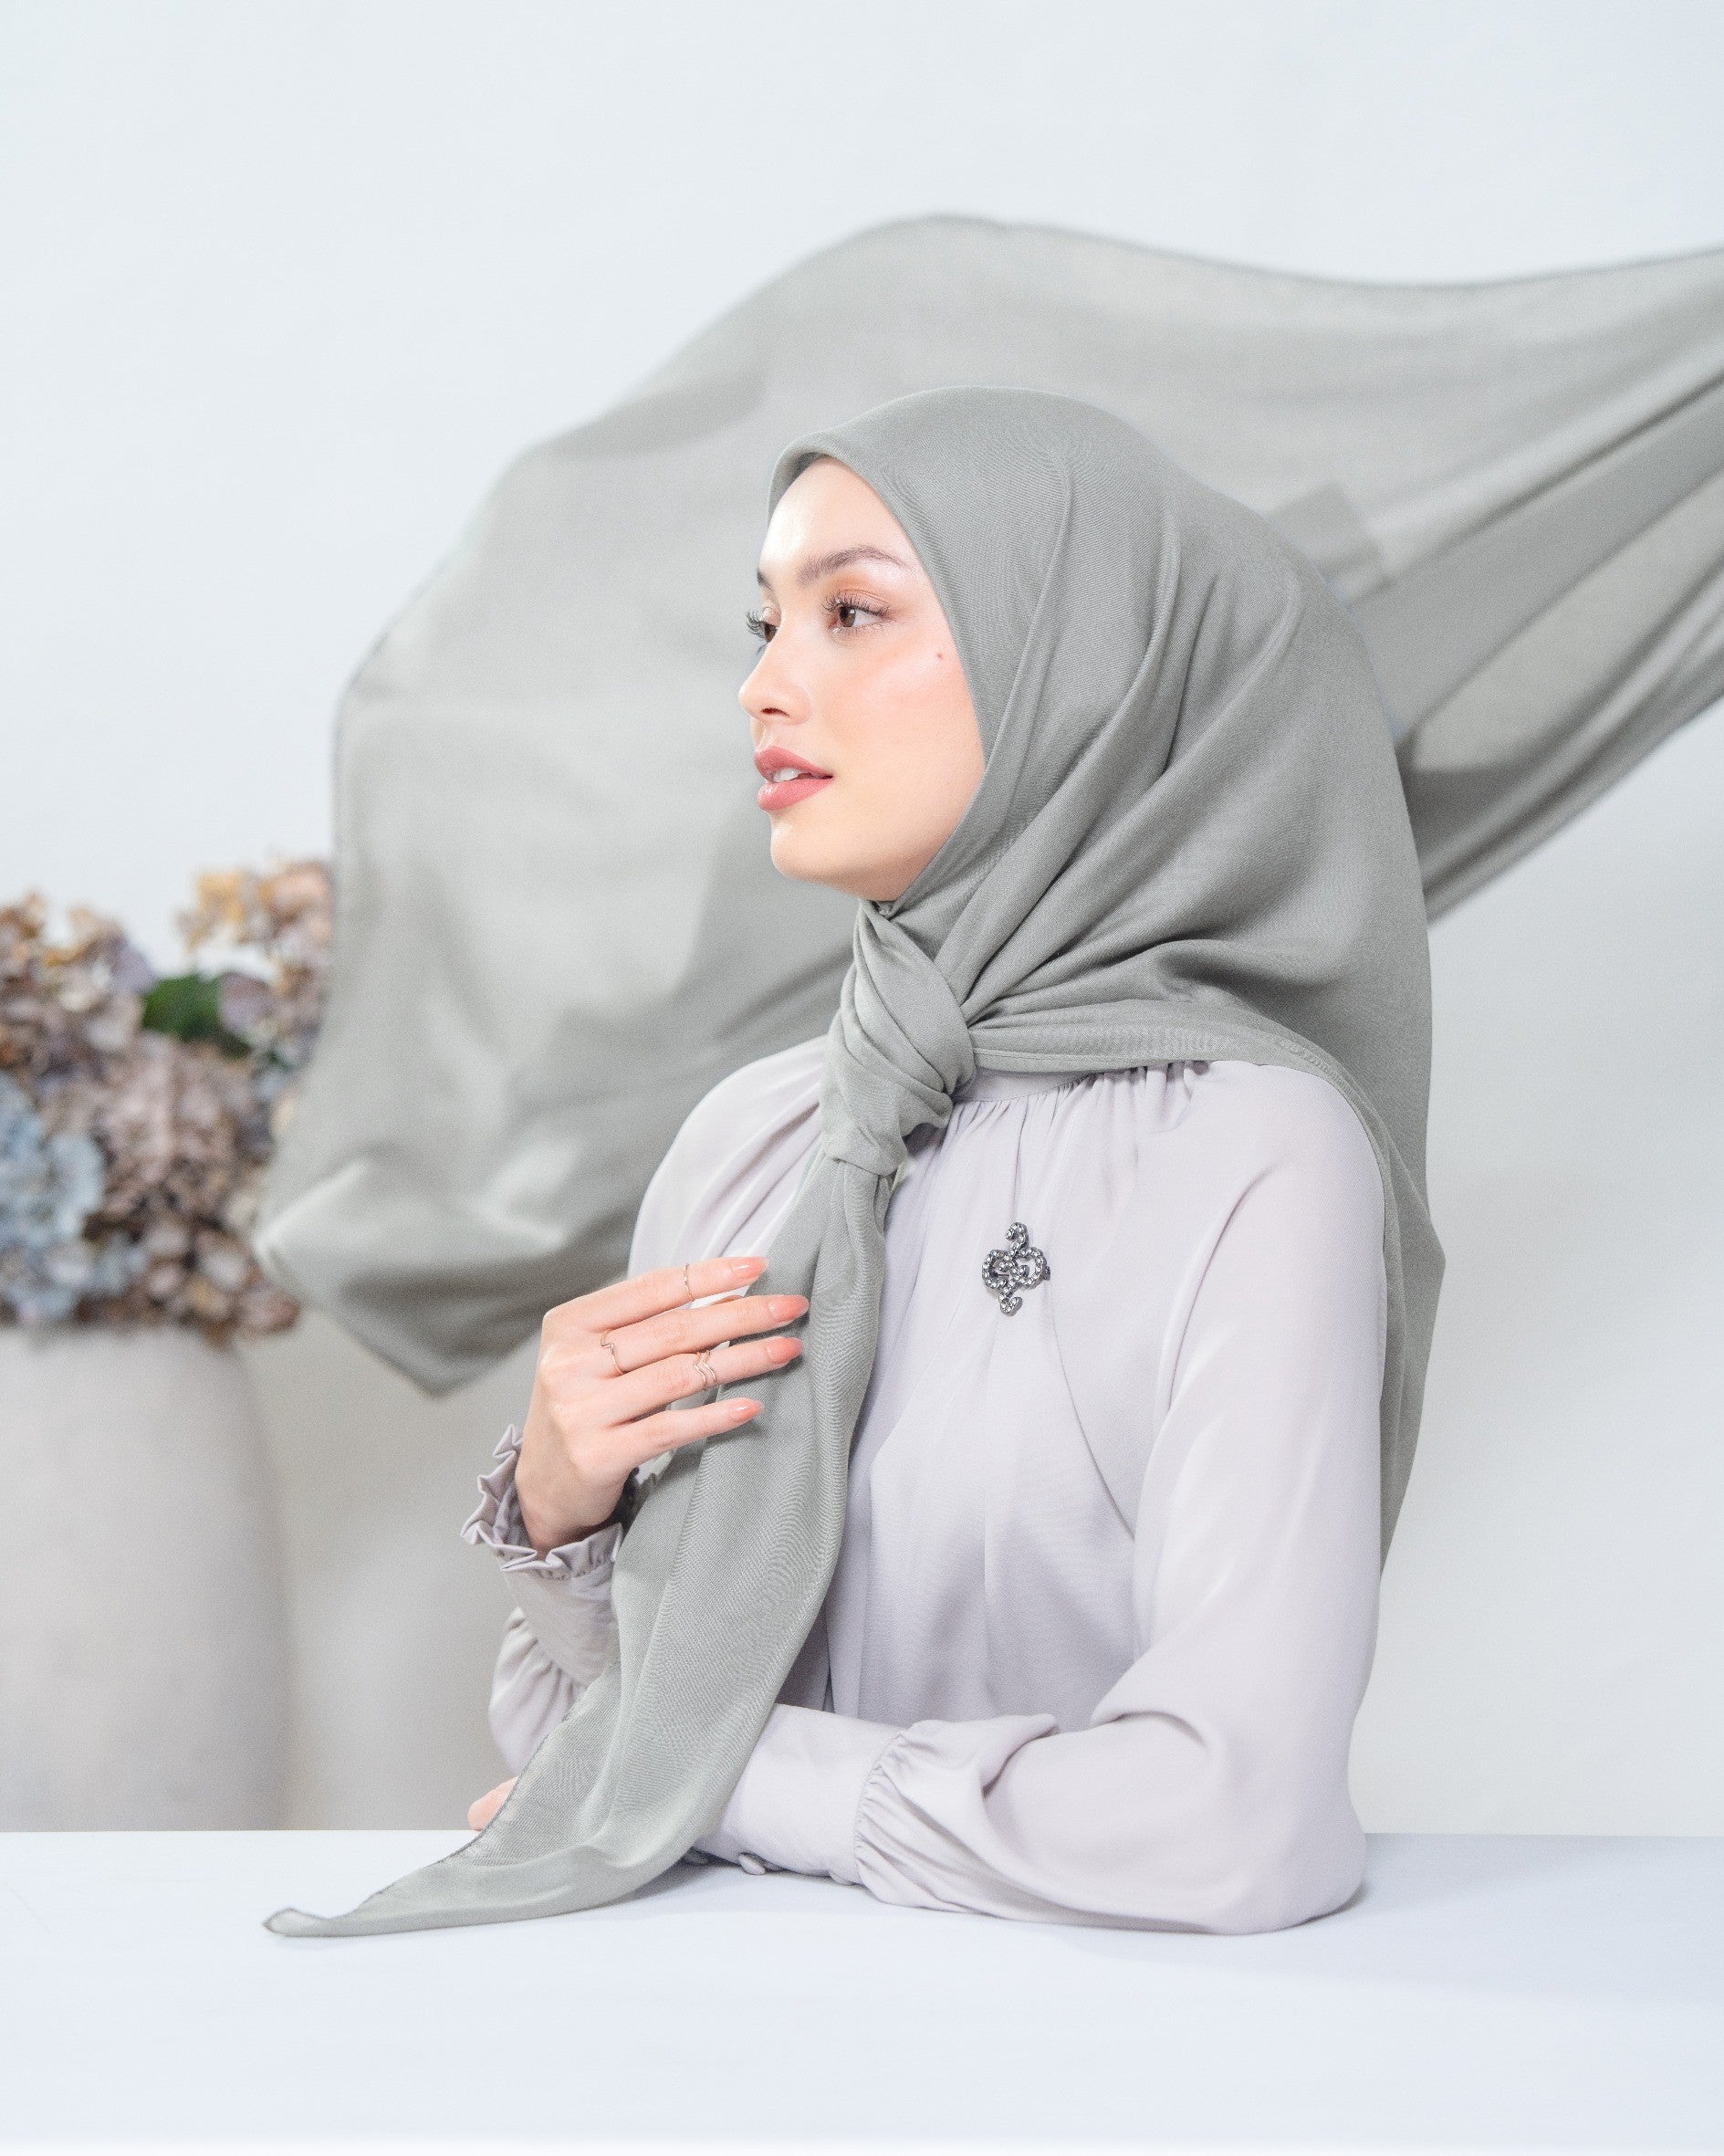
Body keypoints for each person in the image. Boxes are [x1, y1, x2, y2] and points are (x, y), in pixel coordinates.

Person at [449, 393, 1434, 1934]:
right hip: (715, 2026)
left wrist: (704, 1771)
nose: (763, 684)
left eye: (850, 613)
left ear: (1079, 663)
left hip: (1105, 2038)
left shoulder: (1248, 1147)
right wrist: (561, 1515)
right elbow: (567, 1740)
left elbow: (1232, 1822)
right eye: (765, 623)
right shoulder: (757, 1138)